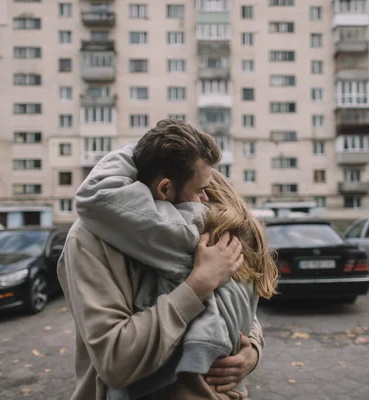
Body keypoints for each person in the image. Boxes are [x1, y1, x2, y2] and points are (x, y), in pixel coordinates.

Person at [58, 120, 277, 399]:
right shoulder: (88, 241)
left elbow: (234, 294)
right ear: (164, 189)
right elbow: (115, 362)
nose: (205, 198)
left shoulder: (188, 219)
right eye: (200, 190)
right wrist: (198, 285)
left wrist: (252, 349)